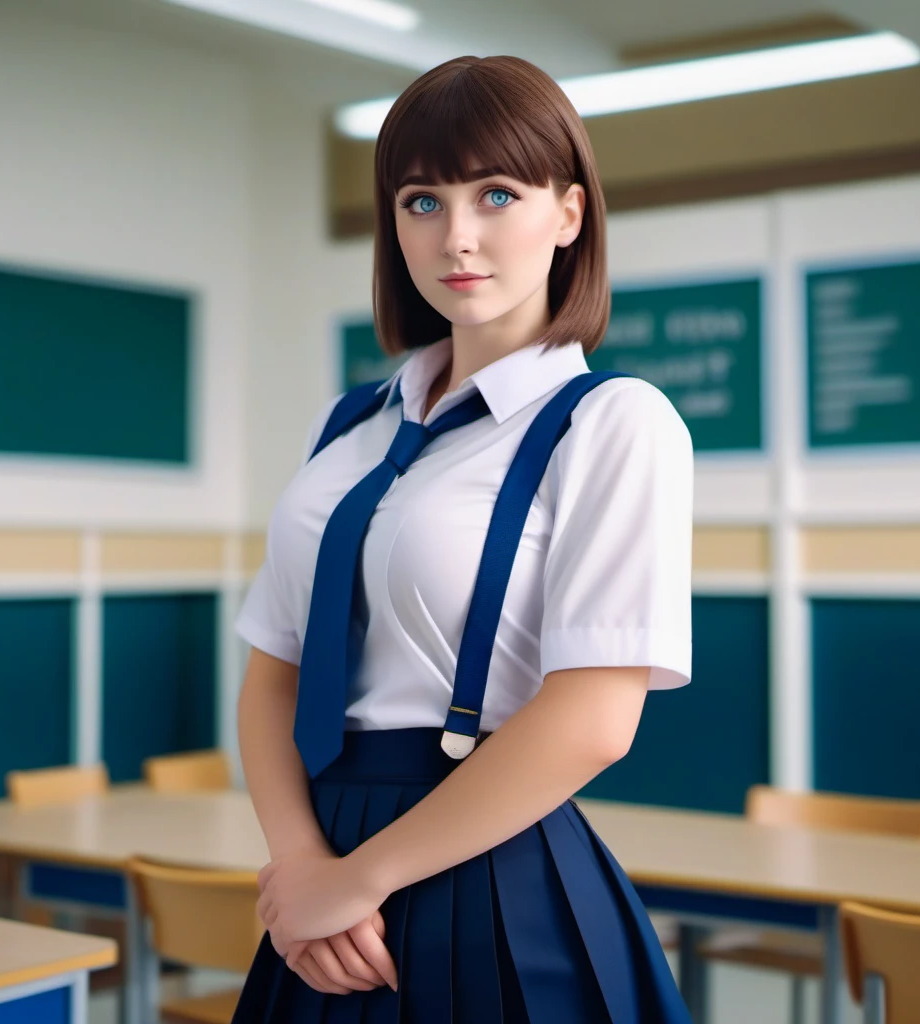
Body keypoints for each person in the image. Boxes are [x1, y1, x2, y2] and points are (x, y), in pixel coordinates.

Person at [232, 53, 695, 1023]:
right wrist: (304, 867)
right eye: (422, 201)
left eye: (496, 193)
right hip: (320, 879)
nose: (459, 236)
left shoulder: (612, 421)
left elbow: (596, 718)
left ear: (569, 214)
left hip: (489, 866)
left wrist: (359, 878)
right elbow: (273, 671)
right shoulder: (348, 430)